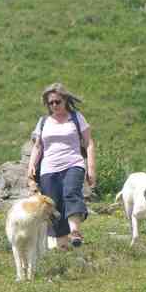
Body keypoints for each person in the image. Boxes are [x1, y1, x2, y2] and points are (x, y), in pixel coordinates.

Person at [26, 83, 96, 249]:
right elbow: (37, 146)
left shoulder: (77, 118)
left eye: (57, 101)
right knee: (53, 205)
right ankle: (62, 245)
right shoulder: (43, 122)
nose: (54, 105)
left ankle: (75, 232)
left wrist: (91, 168)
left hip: (73, 163)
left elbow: (89, 143)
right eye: (50, 103)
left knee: (71, 193)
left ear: (65, 100)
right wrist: (31, 167)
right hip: (49, 169)